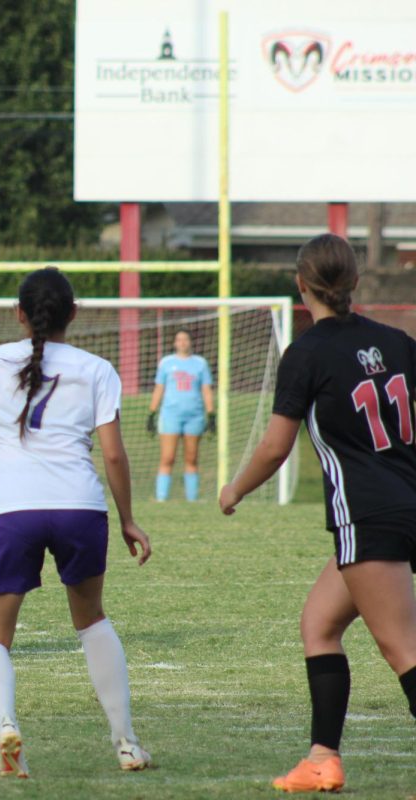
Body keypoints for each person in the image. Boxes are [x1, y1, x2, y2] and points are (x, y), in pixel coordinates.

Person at [219, 233, 416, 794]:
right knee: (320, 624)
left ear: (300, 285)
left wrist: (235, 489)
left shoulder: (305, 353)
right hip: (406, 503)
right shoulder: (397, 341)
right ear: (354, 282)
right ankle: (322, 758)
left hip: (368, 516)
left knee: (403, 649)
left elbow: (275, 448)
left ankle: (324, 758)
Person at [0, 268, 153, 778]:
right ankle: (126, 744)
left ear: (18, 314)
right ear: (73, 315)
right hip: (79, 507)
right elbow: (115, 456)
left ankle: (7, 727)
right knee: (92, 620)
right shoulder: (97, 369)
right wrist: (128, 519)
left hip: (11, 509)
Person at [146, 329, 215, 501]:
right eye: (179, 339)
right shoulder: (166, 363)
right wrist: (151, 413)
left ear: (190, 342)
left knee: (191, 458)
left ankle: (192, 500)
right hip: (171, 416)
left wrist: (211, 414)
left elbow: (206, 390)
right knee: (167, 458)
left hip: (194, 416)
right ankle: (161, 499)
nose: (182, 342)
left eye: (185, 339)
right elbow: (159, 388)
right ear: (174, 343)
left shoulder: (200, 363)